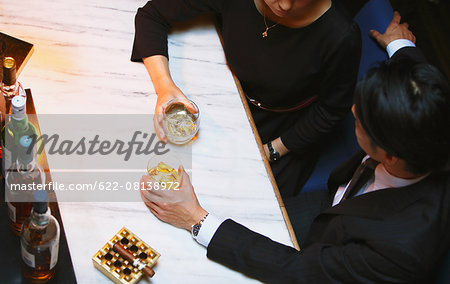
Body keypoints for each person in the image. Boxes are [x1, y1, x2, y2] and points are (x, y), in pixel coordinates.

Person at [139, 13, 450, 283]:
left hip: (330, 251)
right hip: (335, 205)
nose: (353, 110)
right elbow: (416, 82)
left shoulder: (398, 249)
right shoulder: (431, 122)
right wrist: (400, 45)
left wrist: (196, 219)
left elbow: (298, 271)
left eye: (360, 119)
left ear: (390, 155)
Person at [131, 0, 362, 198]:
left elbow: (331, 110)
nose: (285, 5)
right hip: (227, 92)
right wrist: (165, 87)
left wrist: (272, 150)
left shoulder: (341, 36)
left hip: (279, 126)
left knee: (223, 198)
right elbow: (152, 15)